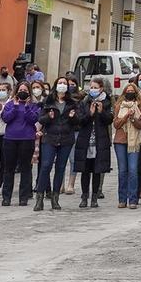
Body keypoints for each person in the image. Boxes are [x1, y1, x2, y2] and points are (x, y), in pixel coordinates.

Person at [36, 77, 79, 210]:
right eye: (60, 83)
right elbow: (41, 119)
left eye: (64, 83)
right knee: (46, 166)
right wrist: (49, 117)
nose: (62, 85)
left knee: (60, 168)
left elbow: (78, 122)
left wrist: (73, 117)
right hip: (50, 138)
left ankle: (55, 198)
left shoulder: (72, 102)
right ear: (56, 85)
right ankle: (40, 197)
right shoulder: (48, 101)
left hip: (66, 138)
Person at [0, 82, 40, 206]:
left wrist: (27, 107)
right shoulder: (10, 104)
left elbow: (33, 119)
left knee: (26, 168)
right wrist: (16, 107)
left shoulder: (34, 105)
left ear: (29, 92)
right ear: (16, 91)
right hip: (10, 139)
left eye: (25, 90)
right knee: (9, 169)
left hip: (27, 139)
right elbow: (6, 118)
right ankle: (6, 197)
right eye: (20, 89)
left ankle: (24, 197)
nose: (23, 91)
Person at [71, 79, 110, 208]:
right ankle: (84, 196)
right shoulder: (84, 102)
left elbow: (109, 119)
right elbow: (79, 120)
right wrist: (90, 114)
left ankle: (94, 196)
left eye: (95, 87)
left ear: (101, 88)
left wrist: (100, 112)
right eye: (91, 87)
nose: (92, 89)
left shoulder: (106, 101)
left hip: (100, 140)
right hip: (85, 141)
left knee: (97, 170)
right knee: (85, 170)